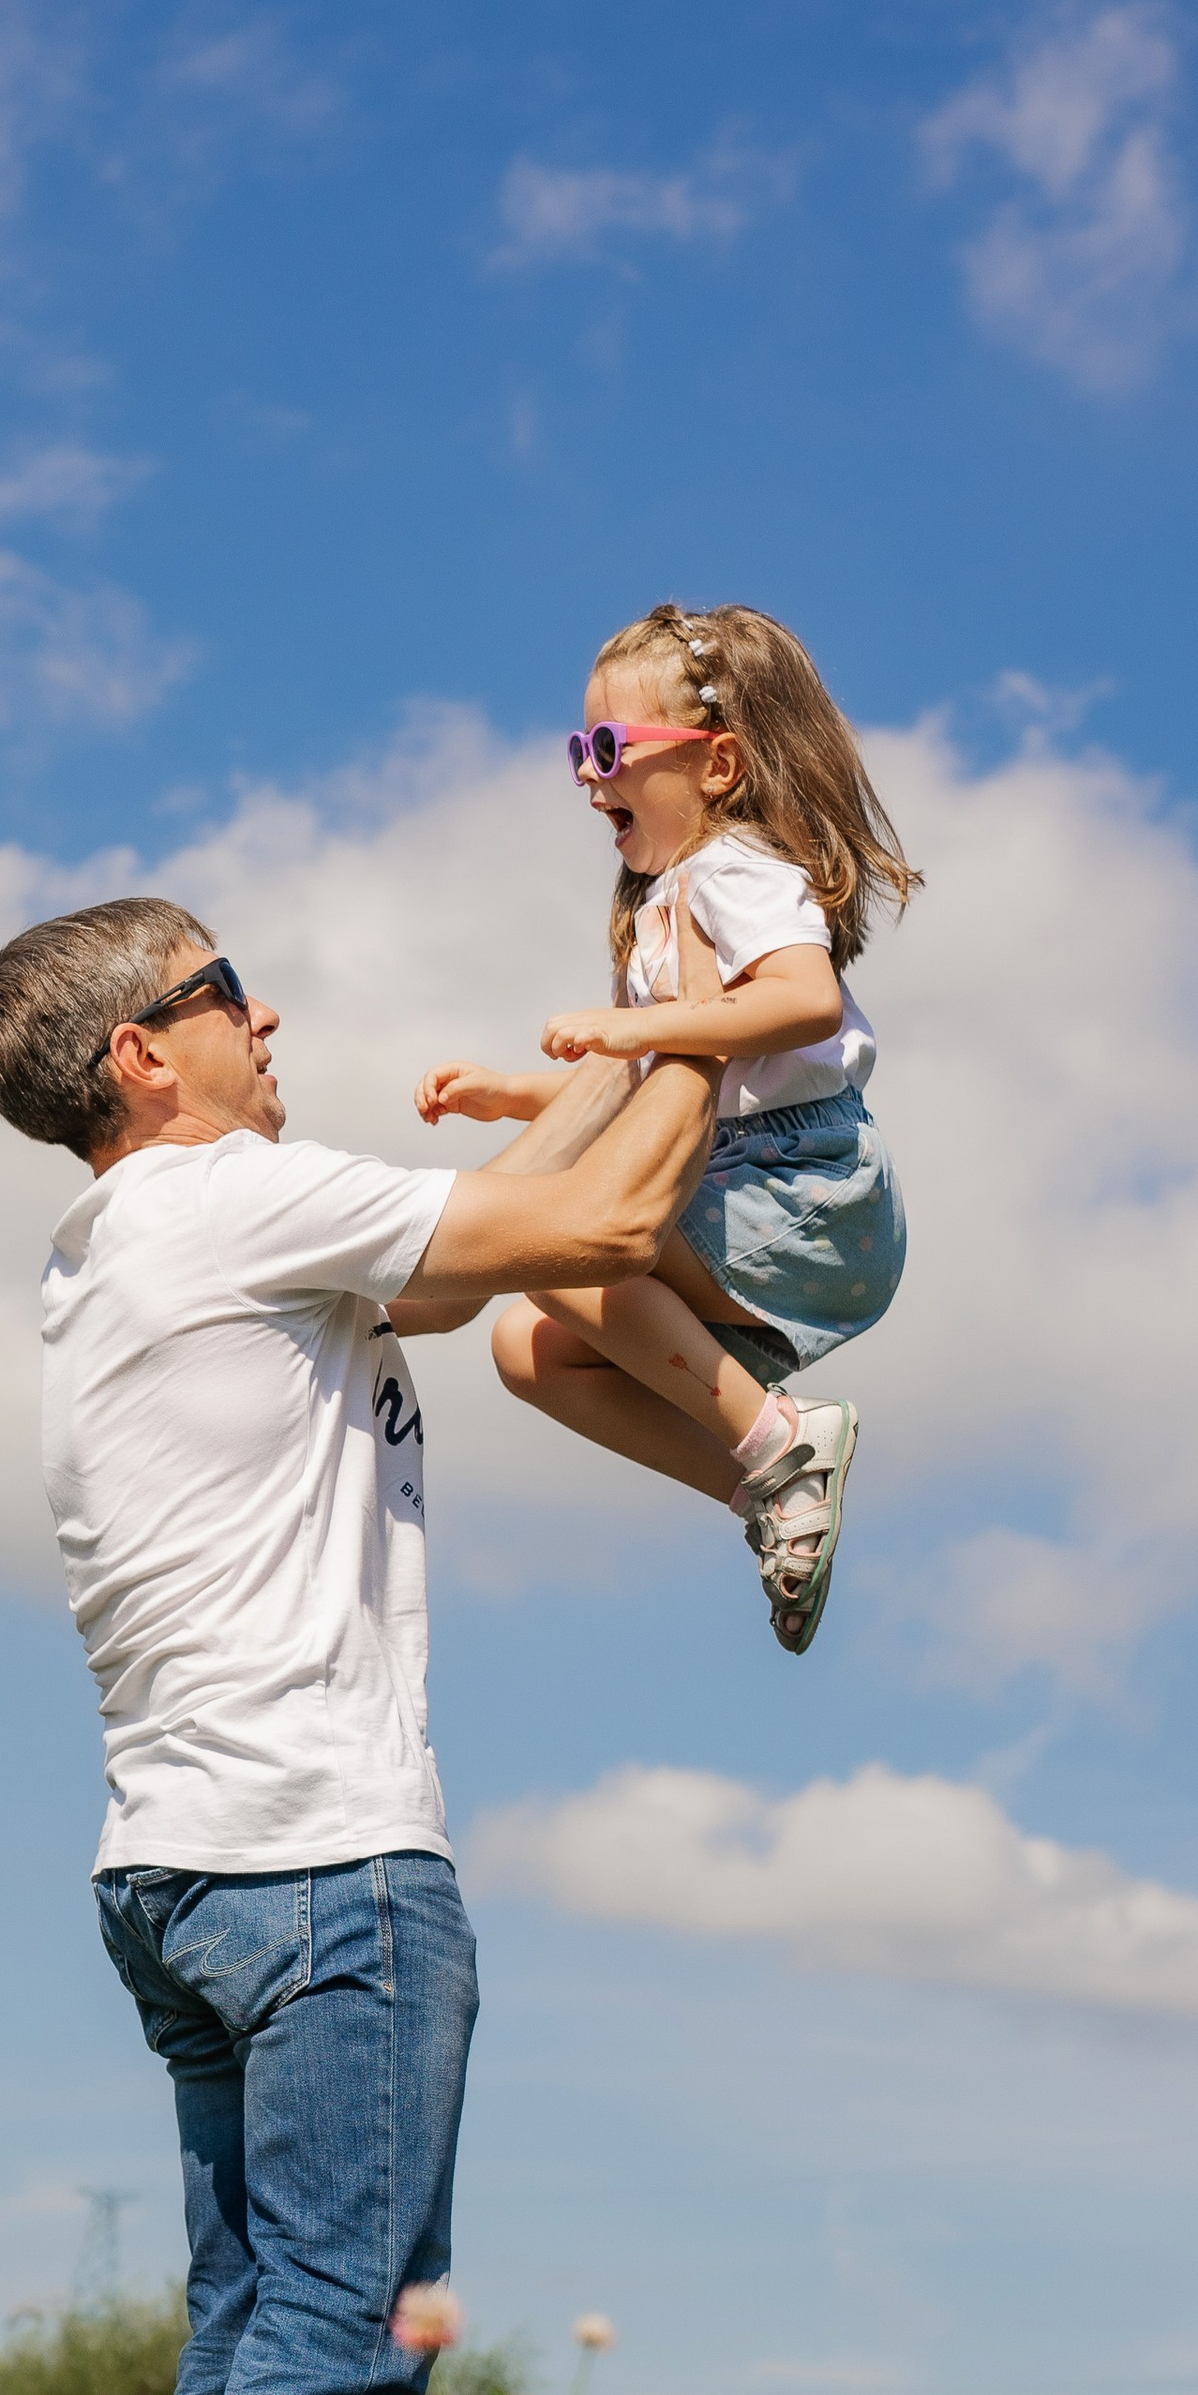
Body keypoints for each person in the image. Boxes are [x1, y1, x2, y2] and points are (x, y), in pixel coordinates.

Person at [0, 897, 724, 2395]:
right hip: (324, 1875)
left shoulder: (128, 1254)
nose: (265, 1011)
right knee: (334, 2362)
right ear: (143, 1056)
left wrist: (620, 1069)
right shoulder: (225, 1206)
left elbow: (490, 1237)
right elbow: (575, 1238)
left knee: (242, 2368)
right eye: (225, 993)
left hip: (179, 1873)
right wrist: (724, 1023)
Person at [417, 601, 916, 1653]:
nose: (588, 776)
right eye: (575, 750)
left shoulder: (735, 870)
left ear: (719, 765)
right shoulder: (662, 899)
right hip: (740, 1167)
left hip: (804, 1182)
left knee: (551, 1244)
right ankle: (767, 1489)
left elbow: (802, 1001)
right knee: (528, 1348)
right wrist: (516, 1093)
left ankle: (779, 1438)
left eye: (610, 748)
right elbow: (660, 1084)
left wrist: (645, 1022)